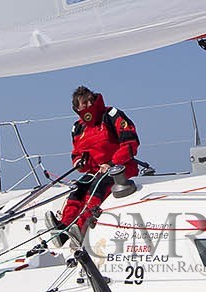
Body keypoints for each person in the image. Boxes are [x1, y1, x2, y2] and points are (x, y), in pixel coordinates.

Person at [53, 85, 140, 237]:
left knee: (96, 187)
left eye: (90, 101)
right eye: (83, 104)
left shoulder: (111, 115)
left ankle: (81, 227)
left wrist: (112, 163)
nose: (88, 106)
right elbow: (76, 153)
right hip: (96, 170)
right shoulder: (78, 128)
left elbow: (130, 142)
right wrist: (80, 161)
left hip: (121, 167)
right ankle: (64, 227)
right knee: (78, 189)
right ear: (77, 108)